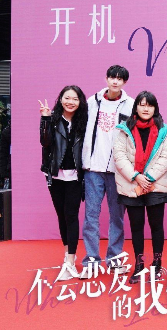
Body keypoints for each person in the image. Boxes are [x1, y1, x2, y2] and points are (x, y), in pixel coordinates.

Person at [113, 91, 167, 284]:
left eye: (150, 105)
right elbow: (119, 156)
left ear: (155, 108)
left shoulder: (164, 130)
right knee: (136, 227)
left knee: (156, 226)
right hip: (131, 184)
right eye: (142, 104)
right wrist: (136, 177)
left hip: (156, 185)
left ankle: (156, 264)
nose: (146, 108)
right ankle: (139, 265)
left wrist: (148, 178)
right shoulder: (124, 129)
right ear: (136, 107)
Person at [81, 65, 134, 277]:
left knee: (117, 217)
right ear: (106, 78)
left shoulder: (131, 104)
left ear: (124, 82)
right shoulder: (92, 102)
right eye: (112, 77)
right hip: (93, 168)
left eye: (120, 79)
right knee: (91, 217)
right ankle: (91, 262)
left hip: (118, 170)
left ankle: (114, 259)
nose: (115, 81)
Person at [39, 86, 88, 281]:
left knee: (71, 215)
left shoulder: (84, 121)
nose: (70, 102)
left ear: (80, 101)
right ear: (61, 99)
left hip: (75, 176)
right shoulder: (52, 119)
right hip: (55, 175)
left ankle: (71, 259)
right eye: (67, 98)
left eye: (75, 99)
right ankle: (67, 253)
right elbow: (45, 142)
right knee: (61, 215)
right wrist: (45, 119)